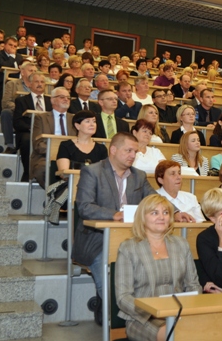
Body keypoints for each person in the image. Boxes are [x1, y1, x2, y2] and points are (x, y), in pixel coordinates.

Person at [73, 133, 156, 324]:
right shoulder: (92, 171)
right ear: (113, 150)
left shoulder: (139, 175)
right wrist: (114, 214)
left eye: (135, 151)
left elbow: (154, 200)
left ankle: (139, 322)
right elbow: (84, 207)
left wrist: (175, 212)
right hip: (97, 240)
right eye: (128, 150)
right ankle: (126, 323)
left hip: (133, 239)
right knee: (110, 284)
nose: (133, 155)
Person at [115, 194, 201, 341]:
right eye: (154, 213)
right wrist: (153, 312)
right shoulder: (128, 248)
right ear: (142, 217)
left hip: (179, 314)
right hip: (142, 319)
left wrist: (187, 311)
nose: (161, 217)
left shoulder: (181, 244)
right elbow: (123, 297)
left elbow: (193, 285)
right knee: (176, 335)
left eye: (165, 212)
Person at [30, 87, 76, 187]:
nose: (66, 99)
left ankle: (65, 193)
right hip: (46, 156)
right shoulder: (41, 118)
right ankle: (55, 193)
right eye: (62, 97)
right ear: (52, 100)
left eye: (68, 97)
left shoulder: (75, 119)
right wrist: (57, 151)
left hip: (71, 156)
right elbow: (38, 144)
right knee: (41, 170)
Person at [13, 73, 51, 181]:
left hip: (48, 132)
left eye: (42, 82)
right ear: (29, 84)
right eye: (36, 81)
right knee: (26, 140)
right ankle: (28, 172)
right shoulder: (21, 100)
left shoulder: (51, 101)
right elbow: (17, 122)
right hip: (29, 131)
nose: (40, 84)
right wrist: (32, 129)